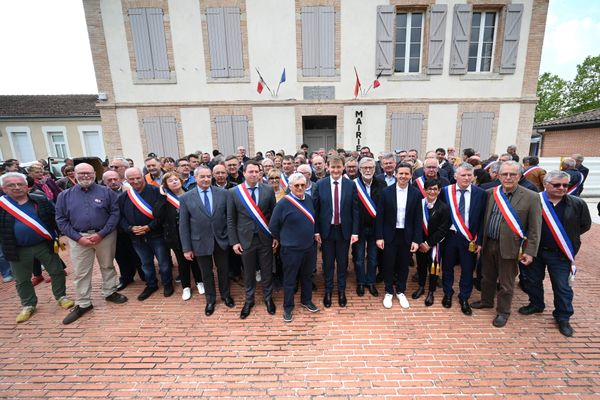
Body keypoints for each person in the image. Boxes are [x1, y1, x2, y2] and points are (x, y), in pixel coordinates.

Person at [518, 171, 591, 337]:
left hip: (560, 253)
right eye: (557, 185)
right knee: (533, 280)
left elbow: (584, 225)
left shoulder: (577, 203)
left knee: (562, 286)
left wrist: (568, 240)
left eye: (565, 185)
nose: (562, 188)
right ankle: (536, 304)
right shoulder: (534, 200)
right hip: (535, 251)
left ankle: (563, 317)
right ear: (546, 184)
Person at [472, 161, 542, 328]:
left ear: (519, 176)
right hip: (489, 243)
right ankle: (486, 301)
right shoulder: (489, 193)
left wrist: (530, 252)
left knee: (506, 282)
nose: (508, 177)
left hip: (512, 247)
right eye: (504, 174)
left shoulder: (531, 197)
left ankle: (503, 312)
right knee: (487, 277)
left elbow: (535, 228)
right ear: (499, 175)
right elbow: (482, 220)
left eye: (512, 174)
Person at [56, 163, 127, 325]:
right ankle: (83, 303)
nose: (85, 176)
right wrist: (78, 238)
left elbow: (115, 214)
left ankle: (110, 291)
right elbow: (61, 220)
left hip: (105, 235)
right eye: (81, 173)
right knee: (81, 271)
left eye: (88, 173)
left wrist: (101, 234)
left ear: (95, 173)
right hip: (78, 238)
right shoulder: (64, 196)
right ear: (74, 174)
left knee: (107, 265)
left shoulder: (106, 192)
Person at [0, 172, 74, 323]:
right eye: (11, 185)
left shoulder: (40, 200)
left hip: (44, 244)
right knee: (22, 279)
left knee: (57, 271)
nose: (16, 187)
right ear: (3, 188)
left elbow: (55, 216)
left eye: (20, 184)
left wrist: (60, 234)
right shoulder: (2, 205)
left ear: (26, 186)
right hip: (16, 248)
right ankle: (28, 304)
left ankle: (61, 296)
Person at [179, 166, 234, 316]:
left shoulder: (224, 194)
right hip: (199, 242)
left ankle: (226, 295)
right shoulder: (185, 198)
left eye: (209, 176)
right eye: (202, 176)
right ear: (195, 178)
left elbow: (229, 218)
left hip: (221, 240)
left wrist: (230, 238)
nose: (206, 179)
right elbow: (183, 226)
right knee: (206, 272)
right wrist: (186, 248)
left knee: (223, 270)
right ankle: (210, 300)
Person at [227, 161, 277, 319]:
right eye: (251, 171)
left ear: (260, 173)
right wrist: (234, 241)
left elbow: (273, 215)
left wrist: (275, 236)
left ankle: (268, 298)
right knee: (248, 273)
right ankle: (249, 300)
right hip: (245, 239)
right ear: (244, 173)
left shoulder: (268, 190)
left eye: (257, 171)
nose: (254, 174)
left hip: (265, 238)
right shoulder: (234, 192)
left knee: (267, 270)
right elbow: (230, 219)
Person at [269, 172, 320, 322]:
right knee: (290, 280)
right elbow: (273, 226)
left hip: (309, 247)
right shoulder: (283, 203)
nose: (299, 188)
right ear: (290, 186)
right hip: (290, 250)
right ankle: (288, 307)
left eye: (302, 185)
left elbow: (313, 220)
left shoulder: (309, 200)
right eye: (296, 185)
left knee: (307, 276)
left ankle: (306, 300)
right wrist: (285, 239)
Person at [119, 167, 173, 301]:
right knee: (146, 263)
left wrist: (149, 227)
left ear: (143, 176)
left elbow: (162, 214)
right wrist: (130, 229)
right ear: (127, 180)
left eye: (138, 177)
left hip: (157, 235)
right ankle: (151, 284)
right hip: (136, 237)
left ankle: (167, 284)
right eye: (132, 179)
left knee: (164, 262)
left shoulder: (156, 191)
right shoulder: (124, 197)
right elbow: (120, 217)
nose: (136, 181)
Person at [440, 163, 487, 315]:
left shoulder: (480, 193)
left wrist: (479, 240)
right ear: (455, 176)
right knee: (447, 267)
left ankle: (464, 297)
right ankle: (448, 293)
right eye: (463, 175)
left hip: (470, 239)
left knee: (467, 269)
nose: (467, 178)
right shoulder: (446, 192)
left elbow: (482, 219)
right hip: (450, 237)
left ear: (473, 176)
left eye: (469, 175)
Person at [313, 155, 359, 308]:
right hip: (327, 231)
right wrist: (316, 231)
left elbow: (355, 210)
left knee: (342, 262)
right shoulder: (320, 184)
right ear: (328, 167)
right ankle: (328, 290)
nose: (336, 170)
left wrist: (354, 232)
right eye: (333, 167)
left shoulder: (350, 185)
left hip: (343, 231)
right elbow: (316, 210)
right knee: (327, 263)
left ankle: (341, 291)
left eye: (339, 167)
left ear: (343, 168)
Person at [376, 162, 422, 309]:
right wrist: (379, 236)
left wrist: (416, 239)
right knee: (389, 264)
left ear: (411, 175)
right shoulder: (386, 192)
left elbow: (418, 218)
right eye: (400, 173)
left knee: (403, 264)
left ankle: (401, 291)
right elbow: (380, 216)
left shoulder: (416, 193)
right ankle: (389, 291)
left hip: (406, 235)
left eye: (406, 174)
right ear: (395, 174)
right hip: (390, 234)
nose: (403, 176)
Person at [154, 172, 204, 301]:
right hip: (175, 236)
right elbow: (157, 215)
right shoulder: (165, 199)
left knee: (196, 260)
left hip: (194, 234)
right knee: (182, 262)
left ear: (181, 181)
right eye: (170, 181)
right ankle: (186, 287)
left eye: (176, 179)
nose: (174, 182)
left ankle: (200, 282)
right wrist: (161, 196)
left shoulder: (191, 194)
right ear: (166, 185)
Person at [101, 170, 144, 290]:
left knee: (138, 253)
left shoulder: (130, 190)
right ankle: (126, 277)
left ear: (120, 179)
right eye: (109, 180)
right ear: (104, 182)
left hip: (132, 228)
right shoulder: (101, 193)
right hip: (115, 230)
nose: (113, 182)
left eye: (115, 179)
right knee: (120, 256)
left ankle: (144, 275)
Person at [415, 178, 450, 306]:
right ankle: (421, 287)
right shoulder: (418, 204)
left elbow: (443, 229)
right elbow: (415, 224)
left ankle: (431, 291)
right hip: (420, 243)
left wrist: (428, 244)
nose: (432, 191)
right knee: (421, 266)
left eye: (435, 189)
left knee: (434, 268)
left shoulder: (444, 207)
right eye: (429, 189)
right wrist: (420, 242)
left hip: (435, 244)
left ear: (439, 190)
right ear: (424, 190)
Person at [354, 157, 385, 297]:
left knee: (373, 257)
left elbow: (384, 208)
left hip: (375, 229)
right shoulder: (353, 185)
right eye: (364, 168)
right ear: (359, 170)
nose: (368, 170)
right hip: (359, 228)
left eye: (370, 167)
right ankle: (361, 282)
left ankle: (371, 282)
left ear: (374, 169)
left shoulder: (382, 184)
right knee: (359, 258)